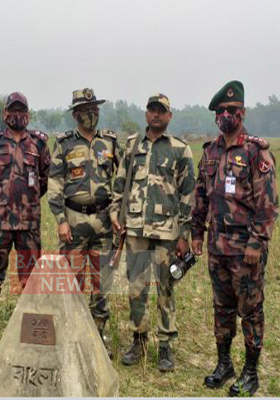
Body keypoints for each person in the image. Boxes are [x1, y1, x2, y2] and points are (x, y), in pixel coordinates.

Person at [191, 80, 279, 395]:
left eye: (232, 110)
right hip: (216, 246)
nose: (226, 115)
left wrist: (257, 243)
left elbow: (268, 205)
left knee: (251, 310)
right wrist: (196, 233)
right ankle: (224, 364)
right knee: (222, 308)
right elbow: (200, 195)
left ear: (242, 112)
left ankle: (251, 373)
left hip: (246, 249)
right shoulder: (210, 151)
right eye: (221, 111)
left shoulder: (256, 151)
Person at [109, 93, 195, 372]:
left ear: (170, 116)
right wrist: (114, 213)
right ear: (146, 114)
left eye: (162, 111)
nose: (156, 115)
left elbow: (188, 194)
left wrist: (184, 234)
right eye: (152, 110)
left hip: (166, 233)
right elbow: (119, 184)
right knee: (136, 288)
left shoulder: (180, 150)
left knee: (166, 290)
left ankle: (166, 346)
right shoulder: (132, 146)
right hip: (134, 229)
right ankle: (138, 340)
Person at [47, 88, 121, 357]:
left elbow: (121, 181)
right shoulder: (64, 143)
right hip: (74, 221)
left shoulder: (110, 142)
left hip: (103, 221)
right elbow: (54, 183)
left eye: (95, 109)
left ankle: (98, 334)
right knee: (72, 280)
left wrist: (117, 214)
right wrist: (60, 220)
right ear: (76, 114)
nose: (92, 114)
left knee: (102, 281)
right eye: (86, 110)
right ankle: (73, 334)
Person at [0, 92, 51, 349]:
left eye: (22, 110)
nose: (17, 115)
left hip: (29, 225)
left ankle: (31, 330)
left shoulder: (39, 144)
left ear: (28, 114)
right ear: (5, 114)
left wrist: (26, 201)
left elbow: (44, 180)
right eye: (12, 110)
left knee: (31, 278)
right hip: (0, 224)